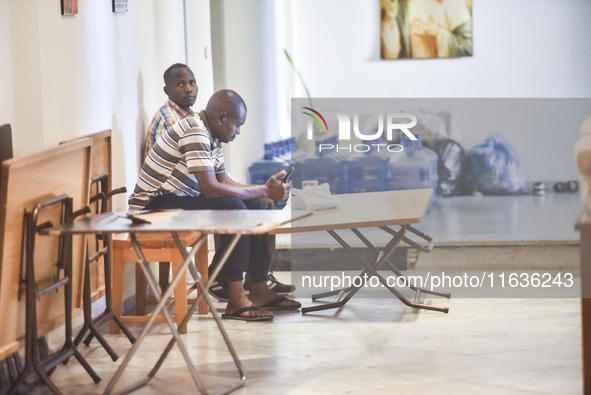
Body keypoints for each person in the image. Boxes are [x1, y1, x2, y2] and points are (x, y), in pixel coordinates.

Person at [129, 89, 301, 321]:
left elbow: (225, 181)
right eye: (237, 125)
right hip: (152, 207)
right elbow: (211, 189)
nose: (238, 131)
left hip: (176, 201)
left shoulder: (211, 136)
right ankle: (235, 296)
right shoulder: (195, 131)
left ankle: (258, 287)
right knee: (235, 208)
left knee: (256, 204)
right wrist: (264, 190)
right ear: (221, 118)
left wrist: (262, 192)